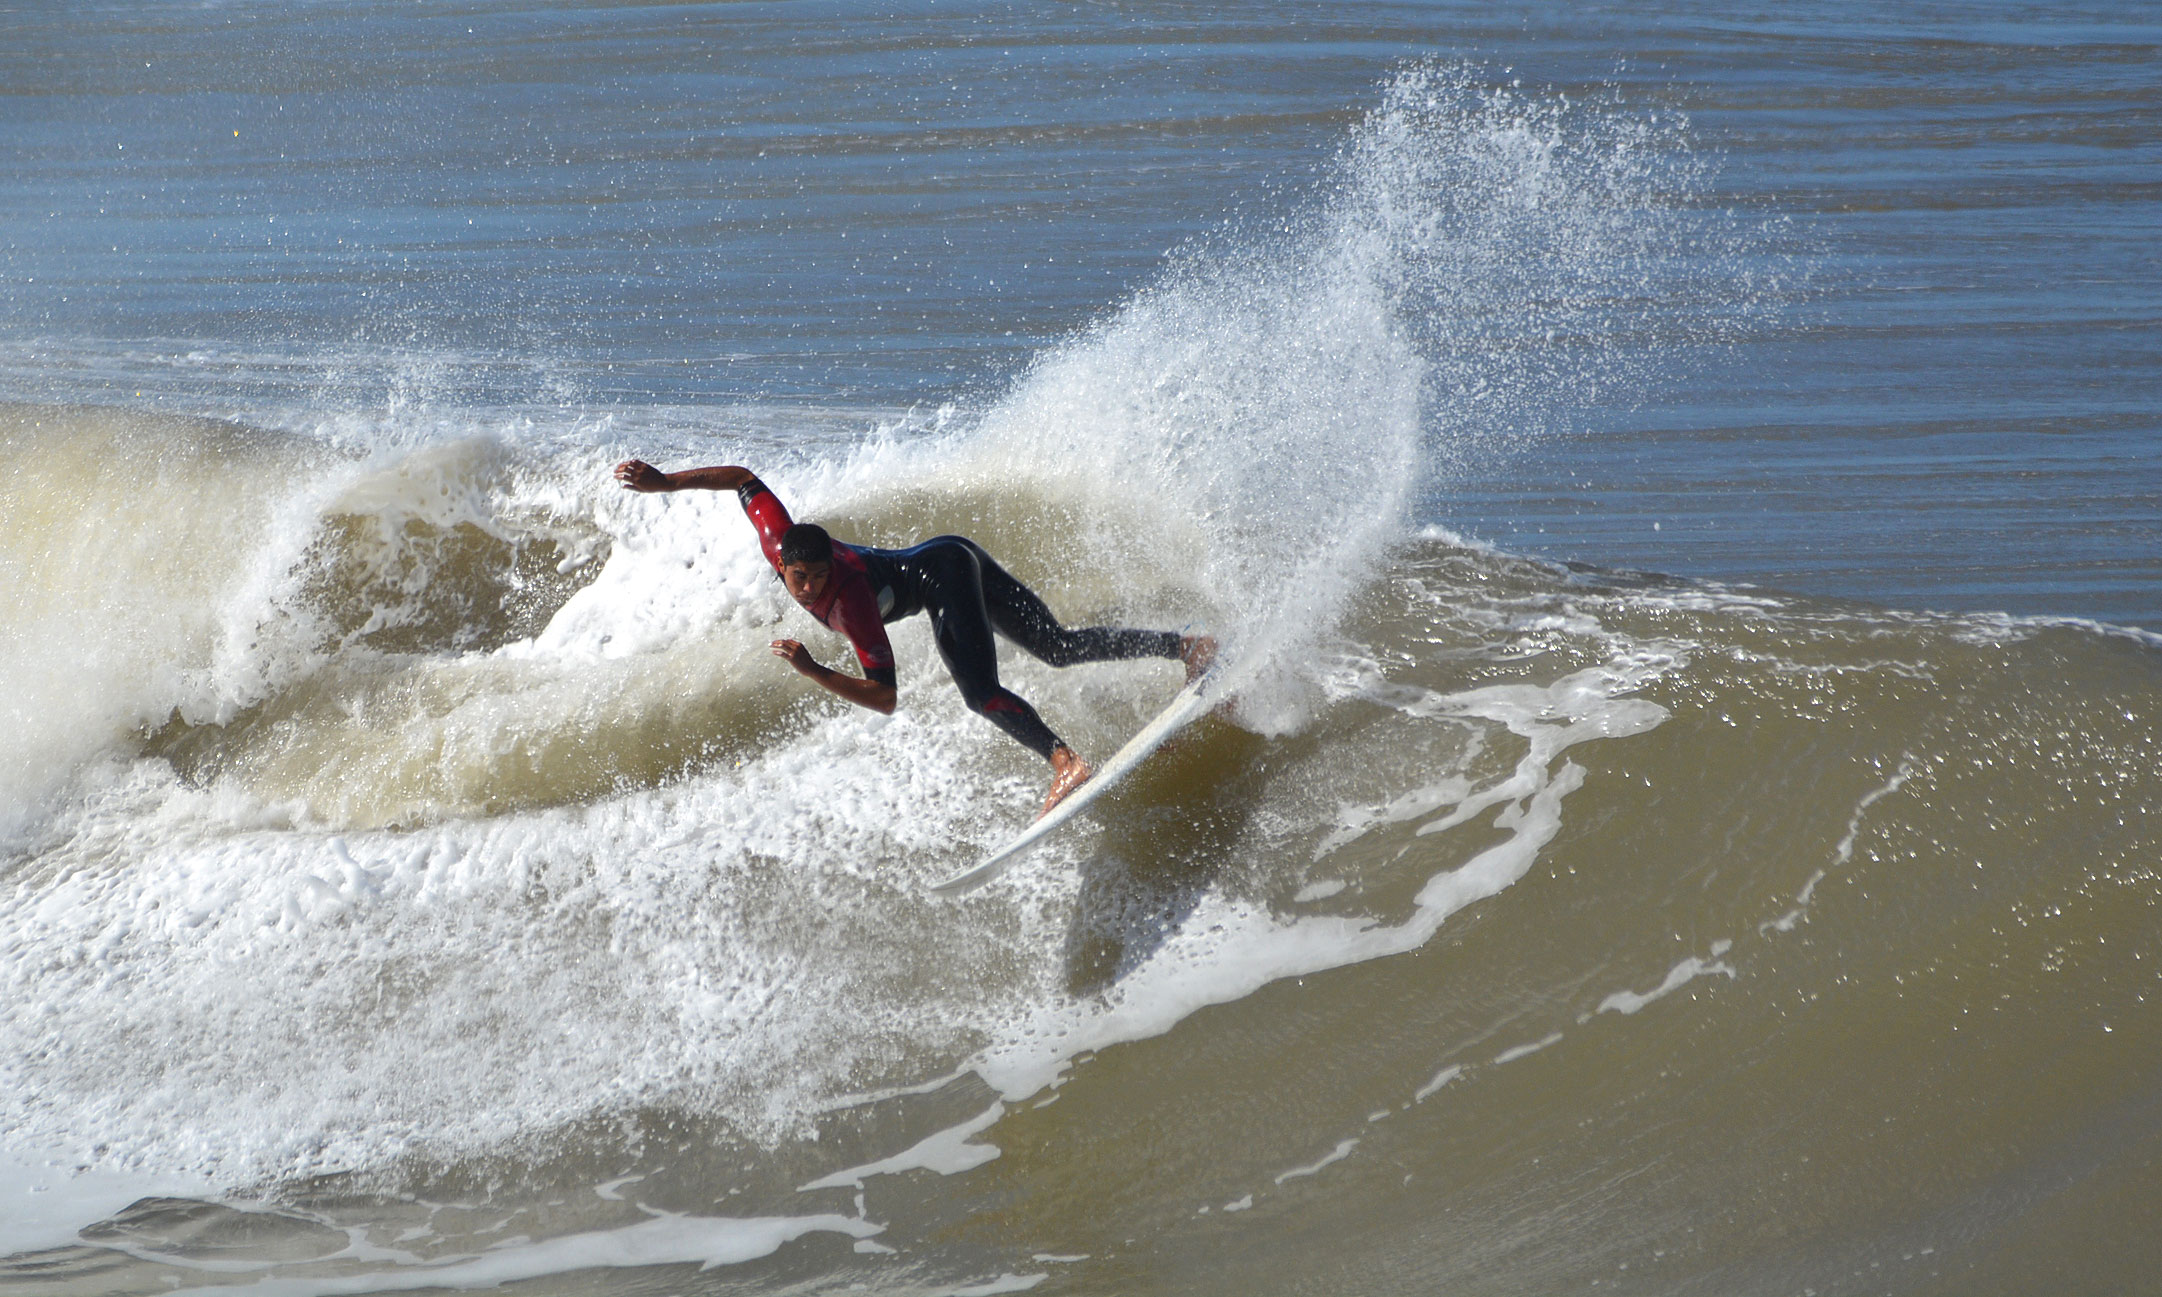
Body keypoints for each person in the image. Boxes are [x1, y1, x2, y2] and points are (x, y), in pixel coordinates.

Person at [613, 459, 1213, 816]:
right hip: (949, 551)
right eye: (801, 579)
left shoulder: (850, 605)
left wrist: (814, 670)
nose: (809, 588)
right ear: (783, 563)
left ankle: (1064, 761)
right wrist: (666, 484)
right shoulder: (780, 540)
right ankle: (1185, 646)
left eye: (819, 577)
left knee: (981, 693)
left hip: (943, 574)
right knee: (1054, 647)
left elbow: (885, 696)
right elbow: (743, 479)